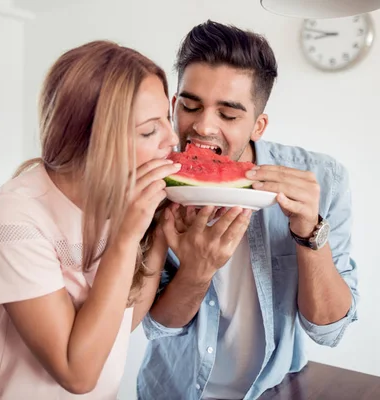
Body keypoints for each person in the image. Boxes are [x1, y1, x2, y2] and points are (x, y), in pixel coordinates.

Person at [137, 20, 359, 400]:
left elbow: (329, 330)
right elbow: (159, 329)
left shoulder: (322, 178)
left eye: (228, 115)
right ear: (174, 105)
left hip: (272, 389)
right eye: (190, 106)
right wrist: (197, 272)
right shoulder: (152, 182)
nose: (203, 127)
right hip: (171, 391)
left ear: (259, 124)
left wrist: (310, 232)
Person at [0, 40, 180, 400]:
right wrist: (126, 236)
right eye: (150, 131)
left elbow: (120, 325)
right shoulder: (12, 221)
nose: (173, 139)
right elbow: (77, 373)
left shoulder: (114, 199)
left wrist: (162, 227)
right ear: (95, 141)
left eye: (168, 119)